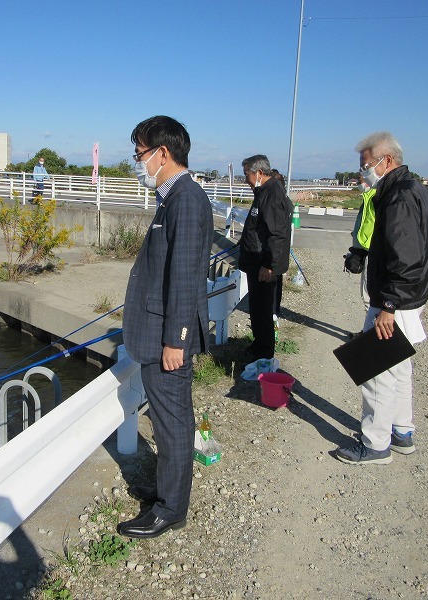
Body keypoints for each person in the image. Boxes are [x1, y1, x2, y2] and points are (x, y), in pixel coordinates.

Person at [335, 131, 428, 465]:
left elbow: (404, 256)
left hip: (392, 301)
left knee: (376, 372)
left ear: (385, 161)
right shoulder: (419, 190)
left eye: (366, 165)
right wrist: (427, 276)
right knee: (400, 366)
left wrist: (390, 303)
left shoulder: (397, 197)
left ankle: (376, 444)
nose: (363, 172)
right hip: (409, 297)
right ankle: (402, 432)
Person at [117, 116, 214, 539]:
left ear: (163, 153)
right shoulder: (172, 198)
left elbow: (186, 274)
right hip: (158, 334)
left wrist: (176, 339)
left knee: (172, 422)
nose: (138, 162)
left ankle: (171, 509)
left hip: (166, 340)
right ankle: (166, 491)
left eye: (140, 154)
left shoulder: (186, 199)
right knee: (165, 418)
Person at [237, 155, 293, 362]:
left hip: (263, 265)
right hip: (256, 261)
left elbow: (276, 234)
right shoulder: (263, 192)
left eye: (247, 175)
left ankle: (264, 352)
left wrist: (268, 265)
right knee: (257, 309)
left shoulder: (272, 195)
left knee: (262, 310)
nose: (246, 180)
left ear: (259, 173)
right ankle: (259, 344)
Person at [343, 177, 377, 336]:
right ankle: (369, 331)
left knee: (369, 297)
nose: (359, 179)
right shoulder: (368, 197)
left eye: (363, 173)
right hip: (365, 250)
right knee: (368, 296)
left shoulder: (376, 197)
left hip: (374, 252)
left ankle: (371, 335)